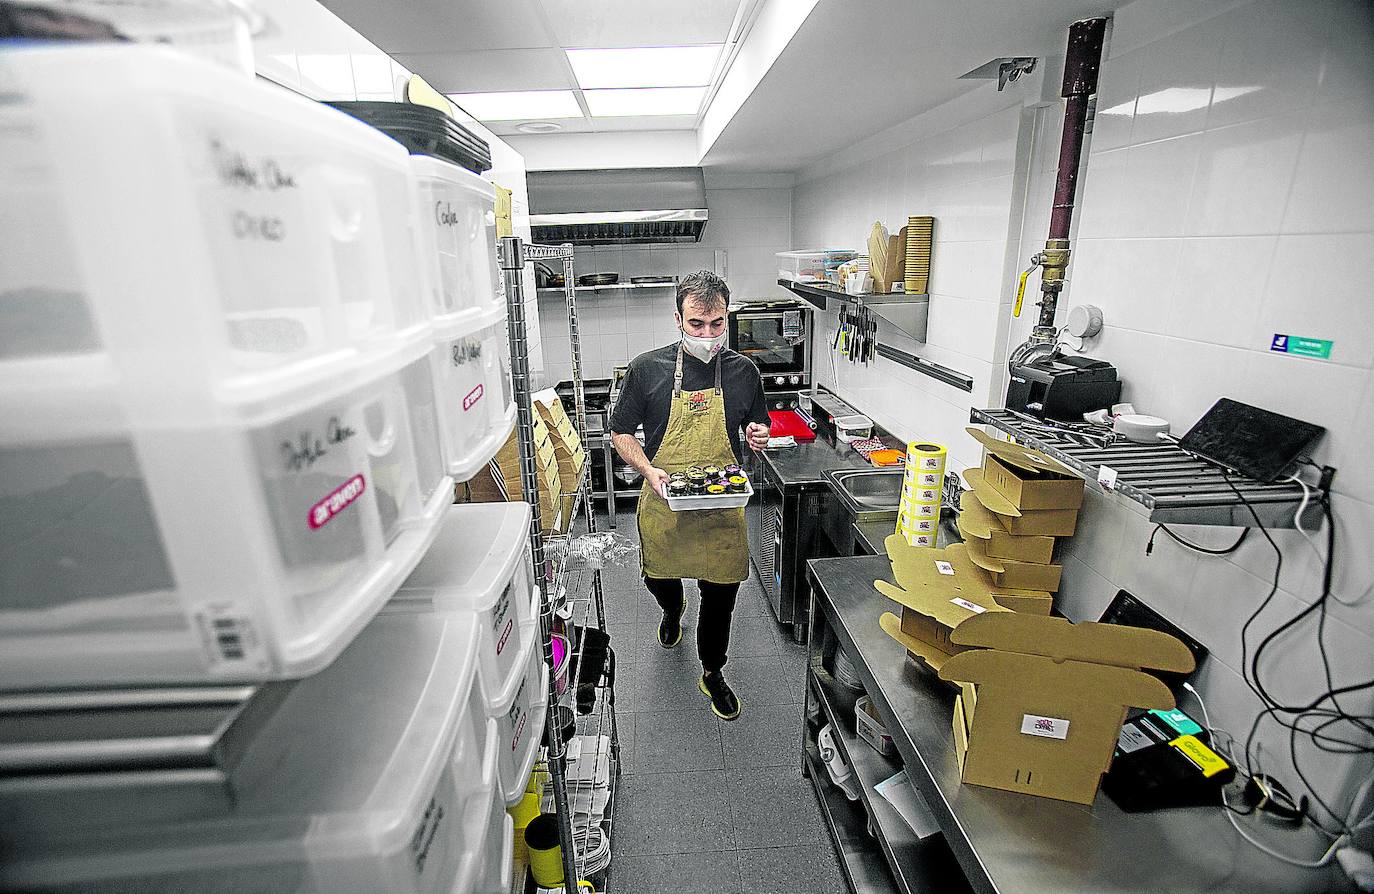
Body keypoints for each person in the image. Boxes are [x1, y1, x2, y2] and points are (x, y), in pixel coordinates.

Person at [608, 271, 770, 720]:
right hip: (666, 499)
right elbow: (620, 432)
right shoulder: (647, 370)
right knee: (659, 577)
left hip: (722, 503)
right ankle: (672, 605)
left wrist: (759, 432)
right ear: (678, 319)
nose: (707, 334)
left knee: (720, 596)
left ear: (726, 318)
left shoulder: (744, 371)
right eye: (696, 324)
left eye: (716, 323)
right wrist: (647, 470)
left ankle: (713, 671)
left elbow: (757, 423)